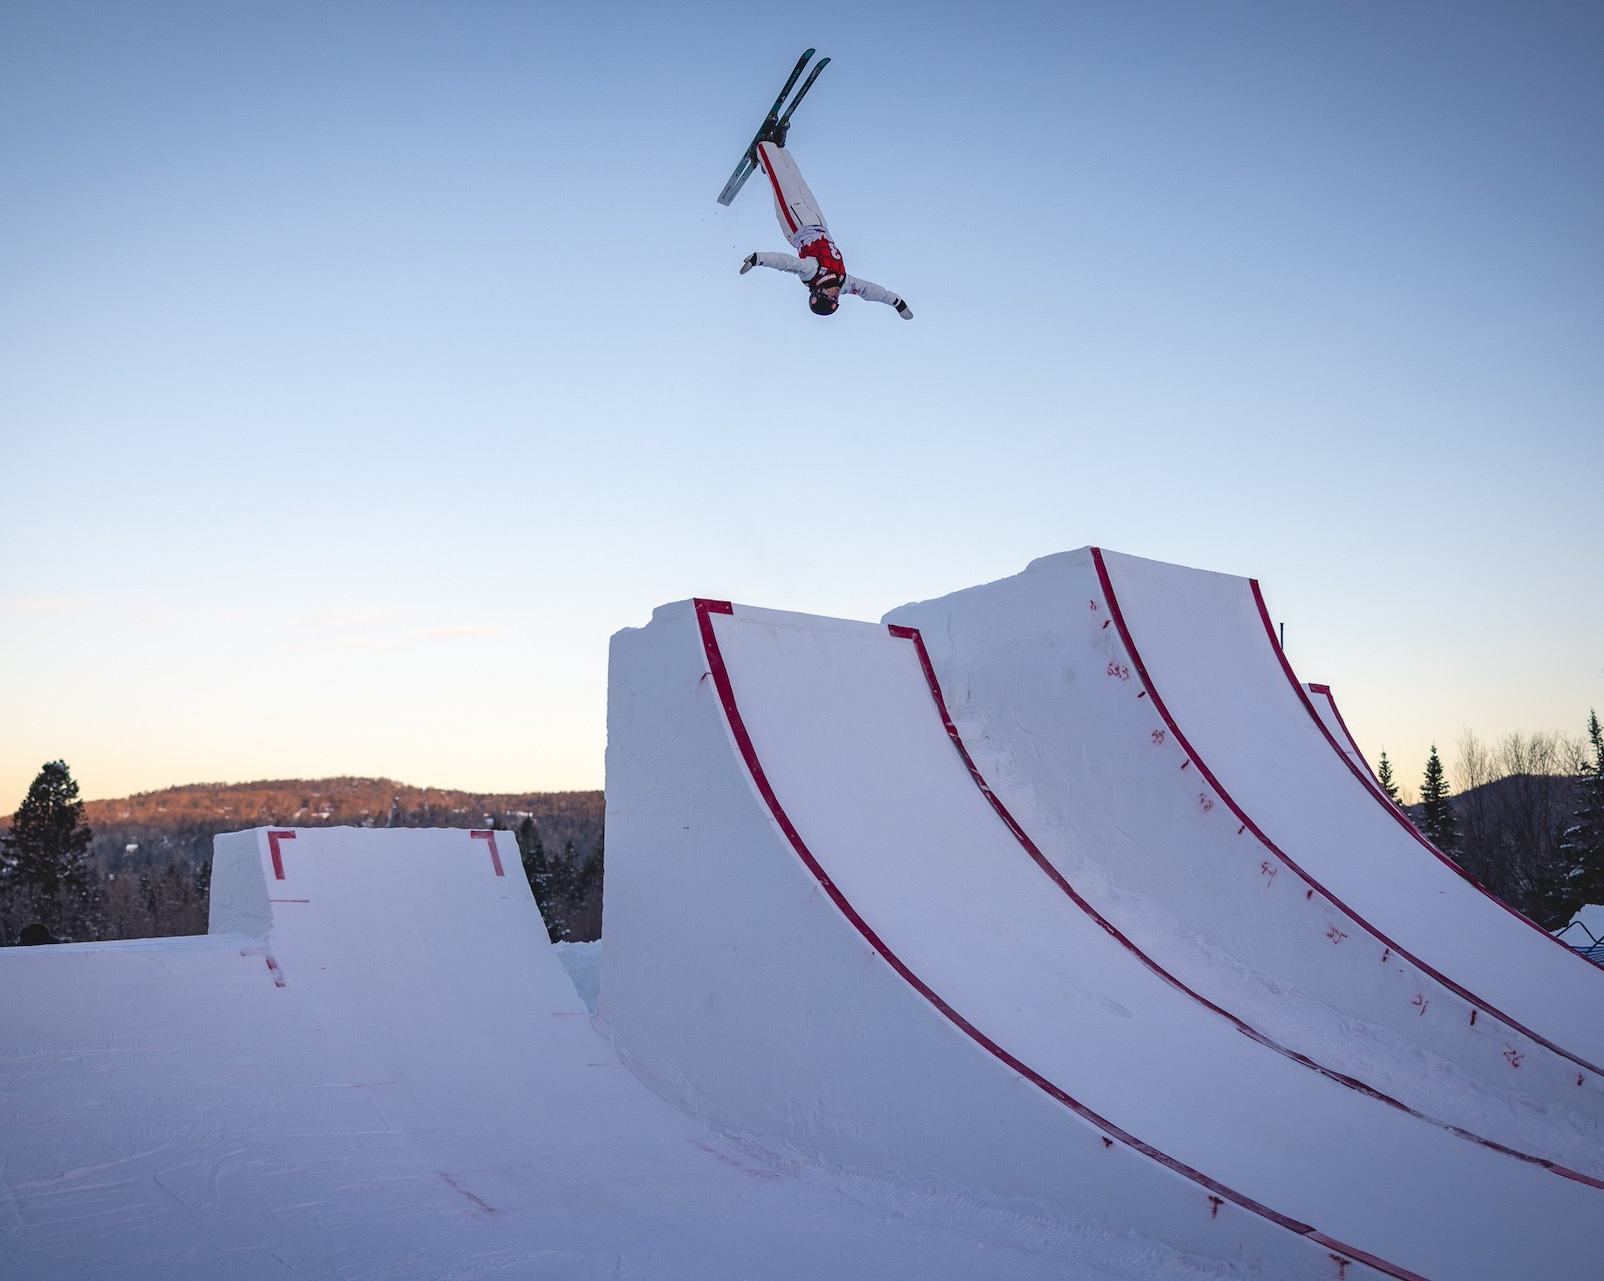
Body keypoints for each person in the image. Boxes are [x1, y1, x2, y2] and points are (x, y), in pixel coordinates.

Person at [740, 137, 912, 320]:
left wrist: (759, 259)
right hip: (820, 223)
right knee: (798, 182)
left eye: (830, 297)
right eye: (836, 300)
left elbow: (786, 263)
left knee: (781, 182)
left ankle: (764, 146)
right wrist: (897, 303)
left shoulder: (812, 272)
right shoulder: (844, 282)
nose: (836, 296)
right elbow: (869, 291)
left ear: (819, 292)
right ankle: (781, 151)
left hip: (797, 224)